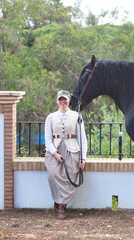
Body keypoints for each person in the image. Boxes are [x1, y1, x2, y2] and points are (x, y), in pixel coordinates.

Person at [44, 90, 87, 220]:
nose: (63, 102)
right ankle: (58, 200)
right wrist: (55, 154)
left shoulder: (76, 116)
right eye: (60, 100)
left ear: (68, 101)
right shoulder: (50, 117)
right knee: (53, 174)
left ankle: (62, 206)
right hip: (55, 149)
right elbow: (47, 139)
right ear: (57, 101)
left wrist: (83, 157)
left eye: (65, 100)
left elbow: (82, 138)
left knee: (70, 176)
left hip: (72, 148)